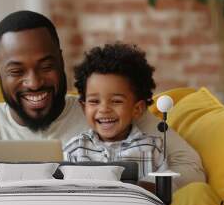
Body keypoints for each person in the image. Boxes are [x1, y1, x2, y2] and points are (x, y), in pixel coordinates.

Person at [0, 10, 205, 205]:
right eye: (17, 71)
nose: (34, 82)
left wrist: (139, 188)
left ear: (62, 60)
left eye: (46, 66)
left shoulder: (105, 114)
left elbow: (190, 168)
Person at [64, 43, 167, 183]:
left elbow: (165, 194)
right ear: (84, 108)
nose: (104, 109)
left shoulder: (153, 148)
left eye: (116, 101)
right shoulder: (75, 148)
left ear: (137, 109)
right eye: (94, 101)